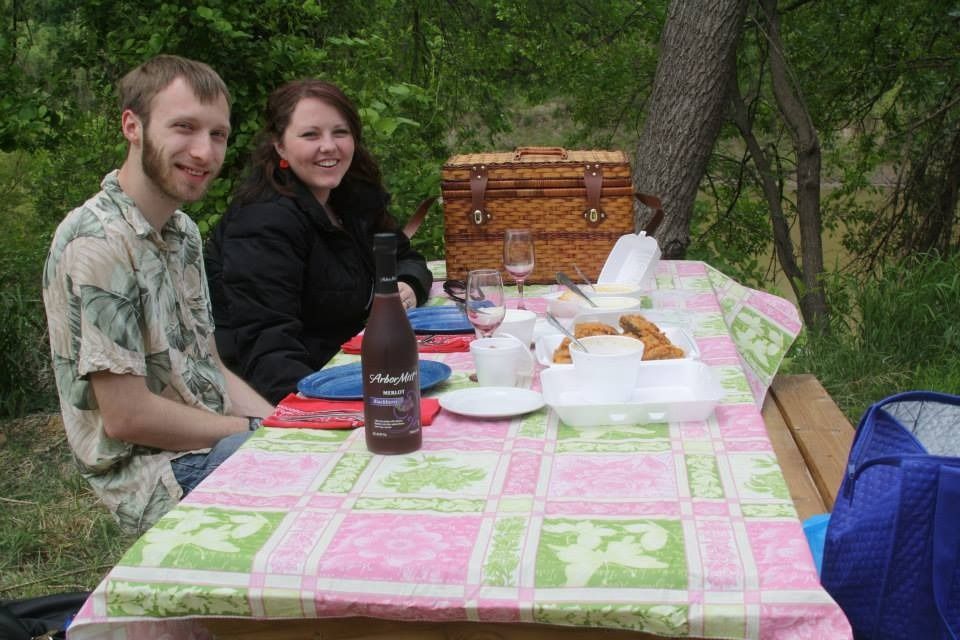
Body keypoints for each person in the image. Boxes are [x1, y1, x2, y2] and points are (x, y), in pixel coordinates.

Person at [42, 55, 275, 535]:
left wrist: (288, 425)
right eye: (184, 127)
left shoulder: (182, 232)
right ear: (133, 125)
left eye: (218, 135)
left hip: (208, 444)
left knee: (332, 457)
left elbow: (209, 365)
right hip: (155, 479)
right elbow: (127, 416)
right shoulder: (97, 241)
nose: (204, 152)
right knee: (293, 477)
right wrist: (256, 434)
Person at [204, 79, 432, 404]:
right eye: (311, 135)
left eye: (340, 132)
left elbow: (406, 257)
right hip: (282, 395)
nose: (329, 146)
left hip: (351, 371)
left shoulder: (350, 198)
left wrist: (408, 284)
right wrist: (323, 413)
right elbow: (268, 350)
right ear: (280, 145)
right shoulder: (263, 222)